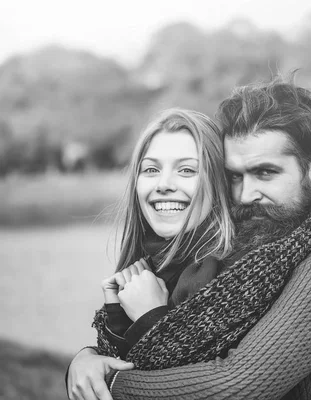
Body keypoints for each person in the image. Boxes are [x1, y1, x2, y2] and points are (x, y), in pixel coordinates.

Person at [68, 75, 311, 400]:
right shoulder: (256, 263)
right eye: (234, 176)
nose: (245, 194)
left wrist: (109, 379)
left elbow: (233, 387)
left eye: (265, 172)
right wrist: (88, 357)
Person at [66, 108, 234, 400]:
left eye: (187, 170)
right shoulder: (149, 268)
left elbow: (207, 387)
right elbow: (128, 363)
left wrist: (151, 316)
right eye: (151, 169)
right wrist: (88, 360)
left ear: (219, 183)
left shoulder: (237, 274)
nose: (163, 184)